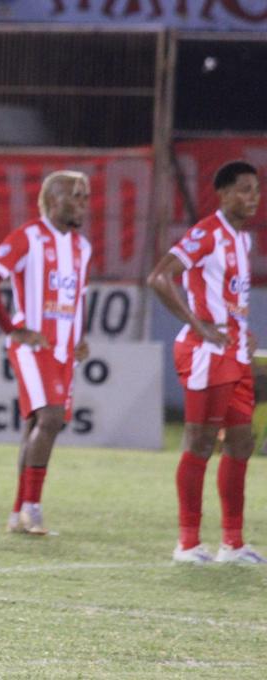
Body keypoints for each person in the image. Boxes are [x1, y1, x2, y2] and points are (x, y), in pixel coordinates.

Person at [147, 160, 265, 565]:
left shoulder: (241, 240)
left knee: (241, 440)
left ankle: (232, 543)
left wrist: (241, 328)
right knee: (199, 441)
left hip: (233, 352)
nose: (253, 197)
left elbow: (230, 296)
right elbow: (159, 278)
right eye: (244, 189)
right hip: (204, 352)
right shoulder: (206, 233)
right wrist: (199, 324)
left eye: (257, 190)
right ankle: (188, 542)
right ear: (223, 194)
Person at [0, 170, 93, 536]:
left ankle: (17, 514)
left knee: (39, 425)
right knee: (51, 418)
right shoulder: (28, 237)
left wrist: (80, 335)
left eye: (85, 198)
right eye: (76, 196)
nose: (83, 205)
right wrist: (14, 329)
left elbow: (78, 297)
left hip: (63, 350)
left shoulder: (82, 247)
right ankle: (32, 508)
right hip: (33, 346)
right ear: (54, 200)